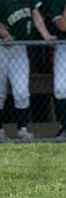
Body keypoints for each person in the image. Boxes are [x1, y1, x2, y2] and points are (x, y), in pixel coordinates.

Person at [0, 0, 56, 140]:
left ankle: (22, 129)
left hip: (19, 47)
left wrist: (46, 35)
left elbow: (36, 15)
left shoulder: (28, 1)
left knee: (22, 91)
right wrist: (5, 36)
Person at [50, 0, 66, 138]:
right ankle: (64, 127)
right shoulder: (57, 3)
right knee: (60, 89)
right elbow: (63, 26)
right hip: (63, 45)